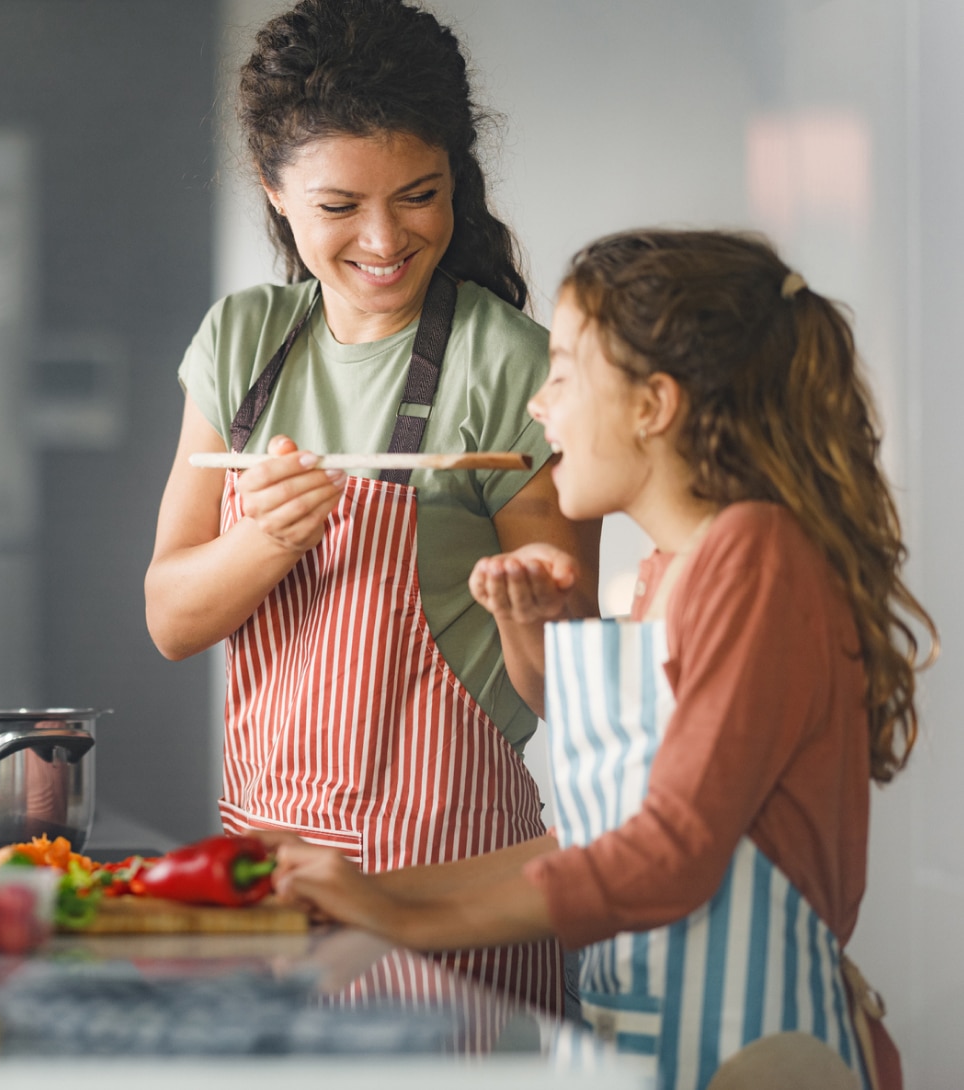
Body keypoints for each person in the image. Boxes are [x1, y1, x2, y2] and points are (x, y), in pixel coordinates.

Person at [271, 229, 934, 1090]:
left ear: (653, 404)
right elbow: (596, 834)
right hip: (662, 1045)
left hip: (765, 1055)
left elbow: (672, 852)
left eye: (562, 372)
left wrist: (404, 921)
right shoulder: (660, 574)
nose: (540, 408)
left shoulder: (755, 554)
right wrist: (372, 888)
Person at [145, 0, 598, 1011]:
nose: (385, 238)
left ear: (454, 176)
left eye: (419, 195)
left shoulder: (511, 364)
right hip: (263, 860)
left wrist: (537, 612)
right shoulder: (241, 344)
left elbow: (562, 692)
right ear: (273, 190)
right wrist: (262, 539)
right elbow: (171, 618)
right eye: (338, 205)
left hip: (451, 876)